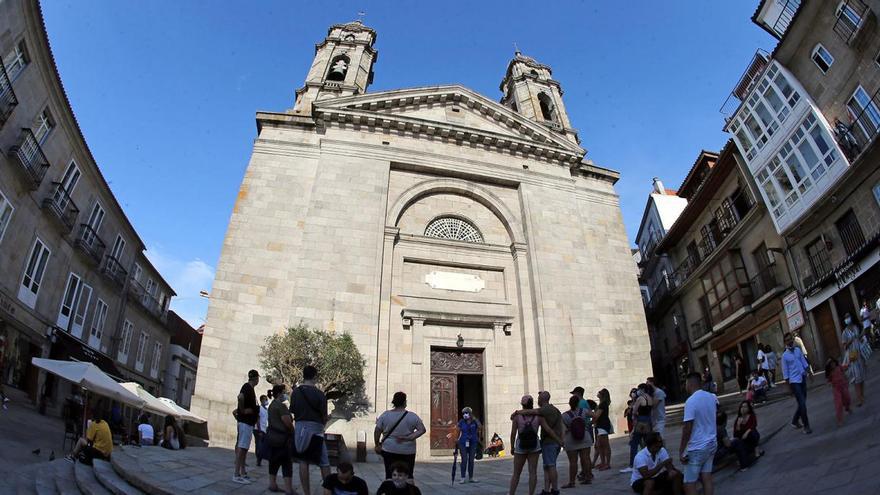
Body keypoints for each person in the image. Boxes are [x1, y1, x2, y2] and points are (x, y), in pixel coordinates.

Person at [508, 395, 562, 495]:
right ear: (532, 403)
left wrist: (512, 447)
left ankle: (511, 493)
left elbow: (513, 434)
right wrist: (559, 440)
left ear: (522, 404)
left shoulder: (517, 417)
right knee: (533, 473)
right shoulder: (538, 416)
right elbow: (548, 430)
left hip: (520, 446)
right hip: (534, 446)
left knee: (516, 473)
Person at [291, 365, 330, 495]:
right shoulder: (320, 394)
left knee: (303, 461)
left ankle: (306, 493)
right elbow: (324, 416)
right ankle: (328, 491)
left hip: (301, 427)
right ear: (314, 376)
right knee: (324, 462)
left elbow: (293, 410)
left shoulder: (296, 392)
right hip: (317, 428)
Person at [374, 391, 426, 481]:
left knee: (390, 474)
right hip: (408, 450)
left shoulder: (385, 415)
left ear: (394, 402)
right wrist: (409, 437)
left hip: (389, 448)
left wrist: (377, 444)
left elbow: (377, 430)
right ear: (404, 402)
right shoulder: (412, 416)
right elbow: (422, 430)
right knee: (408, 475)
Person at [678, 372, 716, 495]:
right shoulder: (712, 397)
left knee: (689, 483)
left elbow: (687, 428)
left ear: (689, 383)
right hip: (711, 443)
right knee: (707, 477)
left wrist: (681, 450)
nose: (685, 387)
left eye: (685, 383)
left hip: (697, 447)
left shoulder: (691, 401)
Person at [266, 384, 294, 495]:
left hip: (272, 436)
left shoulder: (272, 405)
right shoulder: (281, 406)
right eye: (283, 392)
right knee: (287, 463)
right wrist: (293, 431)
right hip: (282, 438)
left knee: (273, 461)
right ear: (279, 394)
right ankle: (288, 489)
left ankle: (272, 484)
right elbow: (287, 422)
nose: (285, 395)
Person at [782, 332, 812, 434]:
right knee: (802, 404)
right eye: (787, 340)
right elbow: (785, 374)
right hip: (794, 382)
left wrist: (810, 373)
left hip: (802, 378)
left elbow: (804, 362)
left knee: (802, 402)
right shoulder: (784, 356)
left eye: (791, 339)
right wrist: (788, 388)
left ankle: (795, 420)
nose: (789, 341)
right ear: (785, 342)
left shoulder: (798, 350)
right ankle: (806, 426)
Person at [233, 369, 260, 484]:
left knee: (244, 448)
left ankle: (243, 472)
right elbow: (240, 397)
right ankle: (236, 474)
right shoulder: (247, 387)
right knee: (242, 447)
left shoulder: (250, 389)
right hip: (245, 422)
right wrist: (243, 410)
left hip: (248, 423)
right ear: (255, 378)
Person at [621, 383, 653, 474]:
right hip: (648, 420)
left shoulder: (640, 398)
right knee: (647, 442)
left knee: (634, 443)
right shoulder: (650, 398)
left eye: (639, 389)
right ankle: (650, 462)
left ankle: (632, 465)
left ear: (642, 389)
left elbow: (634, 411)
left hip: (640, 421)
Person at [561, 395, 591, 488]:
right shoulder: (584, 411)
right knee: (585, 459)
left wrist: (562, 441)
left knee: (573, 462)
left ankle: (572, 482)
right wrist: (589, 424)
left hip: (571, 439)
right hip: (585, 437)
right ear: (578, 403)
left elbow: (563, 430)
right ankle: (587, 478)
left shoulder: (564, 415)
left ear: (569, 404)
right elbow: (596, 415)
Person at [841, 313, 867, 407]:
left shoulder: (856, 327)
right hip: (852, 356)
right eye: (845, 317)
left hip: (860, 354)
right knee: (856, 378)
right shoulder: (844, 332)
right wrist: (850, 341)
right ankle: (859, 399)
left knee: (862, 376)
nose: (847, 318)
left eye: (848, 316)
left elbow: (859, 338)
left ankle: (862, 395)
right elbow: (844, 346)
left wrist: (862, 338)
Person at [452, 406, 481, 484]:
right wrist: (456, 439)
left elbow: (480, 427)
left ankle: (471, 477)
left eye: (466, 413)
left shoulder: (474, 421)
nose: (465, 414)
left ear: (470, 414)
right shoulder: (461, 421)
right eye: (463, 413)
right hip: (463, 442)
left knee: (471, 460)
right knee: (464, 460)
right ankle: (463, 477)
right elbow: (457, 430)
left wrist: (474, 419)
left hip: (473, 442)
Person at [730, 401, 762, 472]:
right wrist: (738, 425)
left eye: (745, 407)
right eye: (742, 407)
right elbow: (735, 435)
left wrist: (747, 432)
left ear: (748, 408)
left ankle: (756, 449)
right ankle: (745, 456)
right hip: (743, 441)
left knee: (752, 432)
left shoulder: (751, 416)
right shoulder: (738, 419)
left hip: (751, 437)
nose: (743, 408)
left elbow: (754, 425)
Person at [825, 357, 852, 426]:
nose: (832, 365)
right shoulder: (830, 373)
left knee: (847, 398)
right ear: (829, 366)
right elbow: (828, 380)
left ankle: (847, 407)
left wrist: (849, 364)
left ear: (835, 363)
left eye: (833, 363)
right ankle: (840, 419)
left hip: (843, 386)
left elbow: (845, 367)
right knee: (838, 403)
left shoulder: (839, 367)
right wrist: (829, 383)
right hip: (836, 389)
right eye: (831, 364)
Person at [592, 388, 613, 471]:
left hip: (602, 426)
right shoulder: (603, 403)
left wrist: (591, 420)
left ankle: (607, 463)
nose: (598, 393)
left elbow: (597, 416)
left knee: (605, 445)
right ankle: (603, 462)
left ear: (602, 395)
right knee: (600, 445)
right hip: (601, 426)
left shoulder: (602, 404)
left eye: (599, 392)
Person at [255, 394, 269, 467]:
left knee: (262, 446)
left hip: (264, 430)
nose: (266, 401)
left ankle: (259, 460)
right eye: (265, 399)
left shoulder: (266, 410)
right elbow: (258, 419)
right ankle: (258, 460)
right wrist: (260, 430)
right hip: (259, 429)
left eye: (266, 399)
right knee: (259, 445)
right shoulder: (259, 408)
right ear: (261, 400)